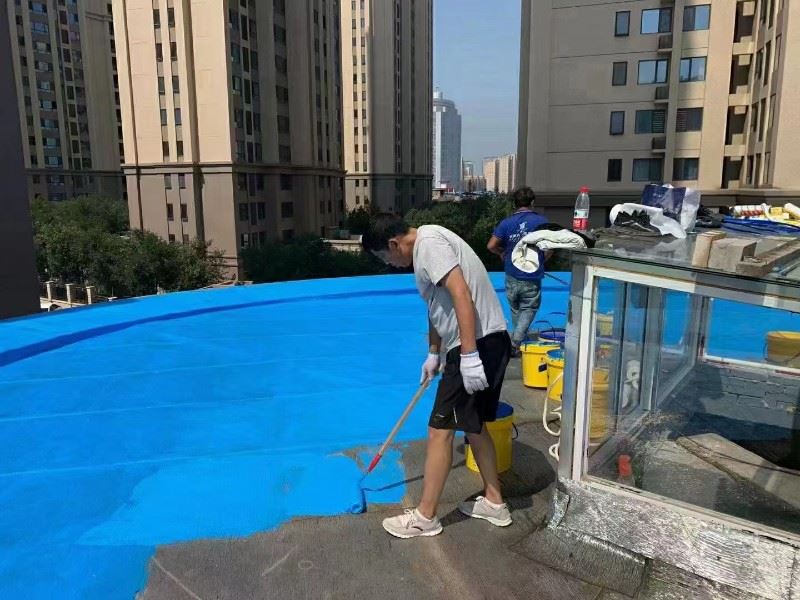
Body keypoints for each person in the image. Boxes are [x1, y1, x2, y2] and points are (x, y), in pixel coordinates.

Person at [361, 215, 513, 539]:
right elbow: (436, 307)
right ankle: (494, 502)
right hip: (486, 341)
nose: (389, 263)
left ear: (393, 244)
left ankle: (425, 517)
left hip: (477, 343)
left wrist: (468, 356)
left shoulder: (429, 244)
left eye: (385, 257)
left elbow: (460, 293)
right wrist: (433, 352)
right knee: (474, 426)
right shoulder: (424, 253)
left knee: (439, 429)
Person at [487, 187, 548, 355]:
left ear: (515, 204)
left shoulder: (506, 223)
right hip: (531, 274)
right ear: (532, 202)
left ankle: (517, 342)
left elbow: (491, 245)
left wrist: (502, 253)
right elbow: (550, 248)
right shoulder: (541, 222)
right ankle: (515, 343)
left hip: (511, 273)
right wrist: (541, 260)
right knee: (529, 308)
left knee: (516, 309)